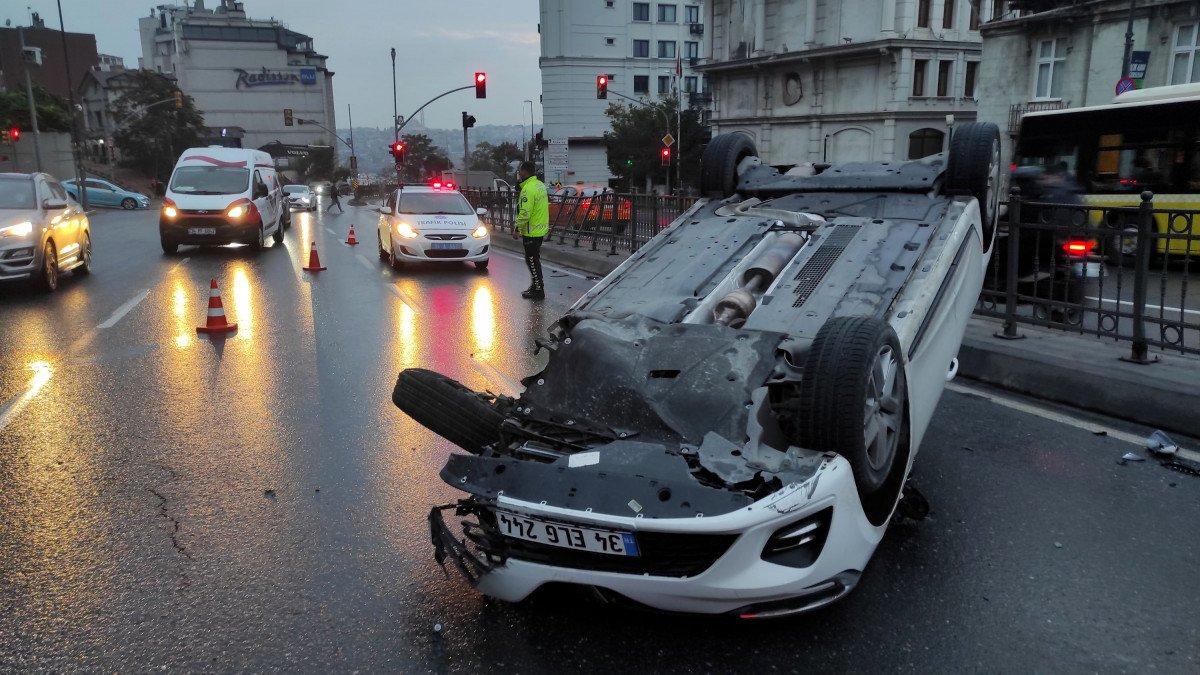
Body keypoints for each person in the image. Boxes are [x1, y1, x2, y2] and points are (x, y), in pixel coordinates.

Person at [514, 160, 549, 300]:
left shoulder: (528, 189)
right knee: (534, 259)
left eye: (520, 171)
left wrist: (517, 228)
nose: (519, 174)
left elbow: (525, 213)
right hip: (540, 229)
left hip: (531, 231)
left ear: (524, 172)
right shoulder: (540, 185)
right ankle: (535, 286)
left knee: (532, 261)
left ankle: (539, 290)